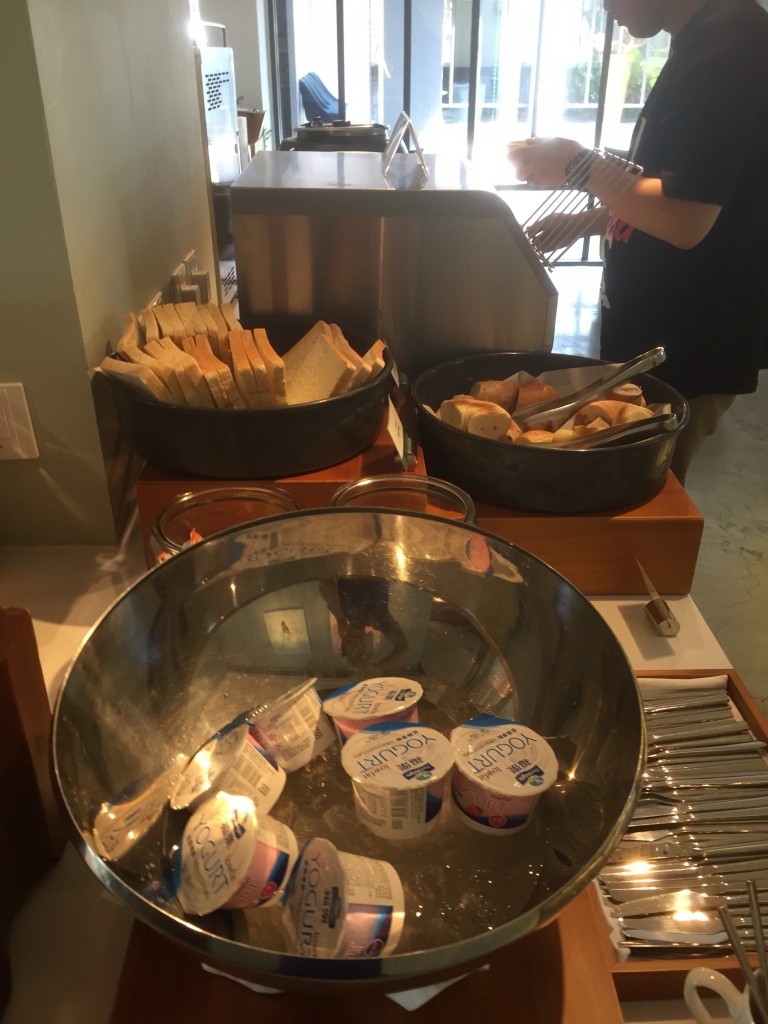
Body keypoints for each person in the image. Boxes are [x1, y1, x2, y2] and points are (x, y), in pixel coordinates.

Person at [507, 0, 768, 485]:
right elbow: (667, 186)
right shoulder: (701, 38)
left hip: (690, 342)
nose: (605, 7)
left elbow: (685, 218)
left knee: (644, 499)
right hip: (657, 336)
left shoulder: (732, 43)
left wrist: (576, 164)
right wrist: (587, 222)